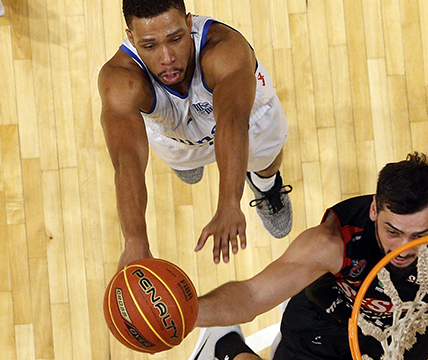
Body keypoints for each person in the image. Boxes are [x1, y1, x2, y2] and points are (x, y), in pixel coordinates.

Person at [190, 153, 428, 360]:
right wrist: (186, 314)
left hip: (407, 333)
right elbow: (251, 295)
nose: (405, 247)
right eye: (393, 232)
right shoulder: (332, 242)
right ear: (375, 209)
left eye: (419, 235)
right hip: (326, 321)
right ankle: (224, 344)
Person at [98, 0, 293, 270]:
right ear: (131, 37)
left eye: (176, 38)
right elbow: (126, 159)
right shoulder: (120, 77)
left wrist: (229, 202)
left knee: (266, 163)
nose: (167, 57)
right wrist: (134, 239)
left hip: (246, 118)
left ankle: (265, 185)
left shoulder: (224, 49)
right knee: (185, 166)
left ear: (189, 23)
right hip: (175, 133)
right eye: (150, 45)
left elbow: (233, 122)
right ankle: (189, 162)